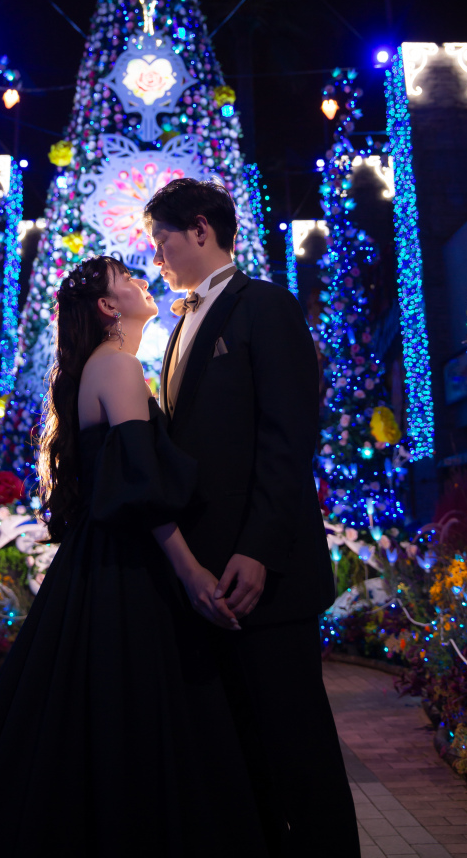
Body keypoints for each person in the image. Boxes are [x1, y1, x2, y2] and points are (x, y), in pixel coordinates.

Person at [0, 255, 270, 858]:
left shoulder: (107, 366)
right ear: (107, 307)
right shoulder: (117, 366)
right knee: (133, 715)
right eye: (127, 279)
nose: (142, 281)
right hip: (126, 566)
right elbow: (141, 485)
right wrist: (189, 569)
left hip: (103, 562)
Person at [144, 176, 361, 857]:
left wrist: (259, 549)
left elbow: (288, 436)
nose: (157, 258)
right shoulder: (179, 327)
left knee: (299, 752)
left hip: (268, 577)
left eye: (163, 241)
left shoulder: (263, 305)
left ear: (202, 228)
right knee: (244, 762)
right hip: (211, 586)